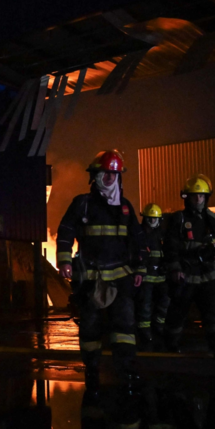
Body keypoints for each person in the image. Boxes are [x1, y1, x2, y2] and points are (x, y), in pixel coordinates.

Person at [57, 149, 146, 392]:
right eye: (105, 173)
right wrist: (64, 261)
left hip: (120, 278)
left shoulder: (125, 208)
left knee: (125, 326)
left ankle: (126, 368)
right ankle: (92, 370)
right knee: (90, 328)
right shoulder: (82, 204)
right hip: (91, 279)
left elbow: (137, 240)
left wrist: (139, 269)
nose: (109, 178)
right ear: (95, 175)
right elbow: (65, 231)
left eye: (114, 174)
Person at [162, 174, 215, 359]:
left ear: (207, 197)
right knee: (178, 313)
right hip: (186, 275)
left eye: (202, 196)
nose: (198, 199)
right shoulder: (179, 219)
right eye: (195, 195)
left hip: (207, 275)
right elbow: (170, 246)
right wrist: (175, 268)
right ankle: (168, 347)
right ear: (186, 197)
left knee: (214, 312)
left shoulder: (213, 220)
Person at [135, 203, 169, 350]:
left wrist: (167, 266)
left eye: (155, 219)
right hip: (146, 278)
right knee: (145, 305)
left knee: (164, 303)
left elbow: (168, 252)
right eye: (150, 219)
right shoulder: (139, 235)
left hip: (161, 277)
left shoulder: (162, 235)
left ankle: (159, 328)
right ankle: (144, 332)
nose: (152, 222)